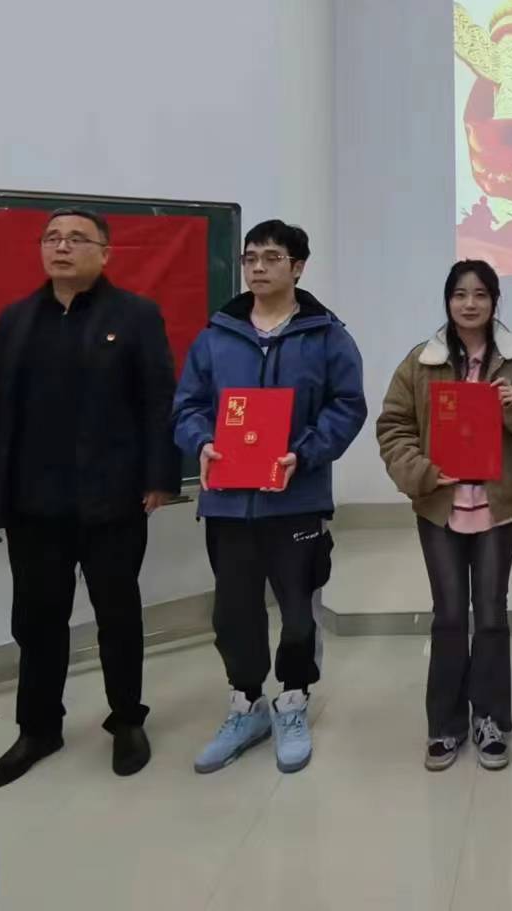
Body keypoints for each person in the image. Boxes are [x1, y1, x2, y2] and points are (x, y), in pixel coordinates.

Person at [0, 208, 180, 789]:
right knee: (37, 623)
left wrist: (160, 476)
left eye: (77, 239)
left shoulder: (135, 316)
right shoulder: (15, 321)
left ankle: (126, 720)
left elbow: (159, 400)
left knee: (118, 618)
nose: (62, 247)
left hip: (113, 501)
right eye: (52, 238)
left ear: (105, 253)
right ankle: (38, 729)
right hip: (33, 505)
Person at [172, 220, 366, 775]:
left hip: (295, 501)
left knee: (299, 613)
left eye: (272, 257)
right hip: (228, 504)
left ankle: (294, 700)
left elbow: (347, 406)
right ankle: (246, 704)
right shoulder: (217, 335)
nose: (258, 267)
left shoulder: (326, 336)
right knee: (233, 613)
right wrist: (202, 442)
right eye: (250, 257)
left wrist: (303, 453)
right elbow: (187, 406)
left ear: (298, 267)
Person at [376, 260, 512, 772]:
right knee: (451, 615)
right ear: (448, 301)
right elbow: (393, 425)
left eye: (480, 294)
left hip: (497, 508)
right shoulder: (422, 361)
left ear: (495, 301)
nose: (470, 303)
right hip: (440, 507)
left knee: (493, 614)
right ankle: (446, 723)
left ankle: (492, 719)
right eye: (460, 294)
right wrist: (421, 472)